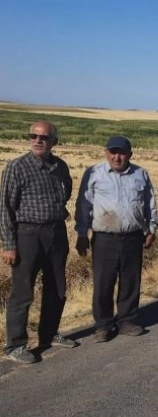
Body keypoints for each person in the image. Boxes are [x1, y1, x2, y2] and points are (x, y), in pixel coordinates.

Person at [1, 121, 79, 364]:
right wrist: (8, 244)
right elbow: (4, 208)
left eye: (43, 137)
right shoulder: (17, 167)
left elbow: (66, 193)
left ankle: (49, 334)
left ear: (54, 141)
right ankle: (15, 345)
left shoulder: (60, 166)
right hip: (27, 235)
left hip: (56, 232)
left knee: (57, 288)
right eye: (33, 136)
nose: (37, 141)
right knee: (23, 291)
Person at [75, 136, 158, 343]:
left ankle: (127, 321)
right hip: (104, 238)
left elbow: (150, 202)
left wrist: (151, 228)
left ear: (130, 155)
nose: (117, 157)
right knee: (103, 282)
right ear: (106, 153)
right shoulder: (94, 173)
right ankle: (103, 325)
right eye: (113, 152)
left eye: (121, 153)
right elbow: (83, 205)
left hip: (133, 237)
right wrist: (81, 233)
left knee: (131, 281)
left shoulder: (140, 174)